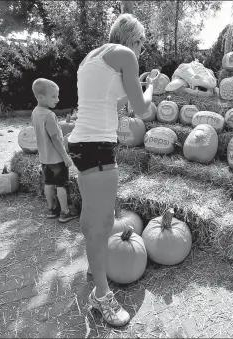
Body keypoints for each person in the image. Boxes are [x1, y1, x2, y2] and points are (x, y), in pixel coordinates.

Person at [67, 13, 157, 327]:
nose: (141, 47)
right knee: (103, 223)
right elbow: (141, 109)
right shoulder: (126, 55)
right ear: (129, 36)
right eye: (141, 41)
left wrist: (135, 84)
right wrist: (152, 90)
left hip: (80, 144)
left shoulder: (91, 58)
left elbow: (114, 104)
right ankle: (101, 296)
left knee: (91, 217)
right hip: (97, 147)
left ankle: (95, 267)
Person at [31, 78, 79, 223]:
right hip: (56, 159)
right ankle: (65, 212)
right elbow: (55, 139)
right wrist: (65, 156)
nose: (57, 99)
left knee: (48, 183)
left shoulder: (35, 112)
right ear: (40, 97)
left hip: (44, 158)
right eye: (53, 96)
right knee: (61, 185)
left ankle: (51, 209)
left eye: (57, 96)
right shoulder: (49, 115)